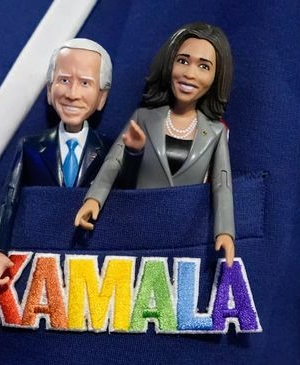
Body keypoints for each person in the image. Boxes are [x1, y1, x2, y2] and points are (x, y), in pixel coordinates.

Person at [74, 23, 235, 266]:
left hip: (183, 237)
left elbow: (222, 185)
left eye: (204, 66)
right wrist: (93, 199)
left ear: (216, 77)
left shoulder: (215, 132)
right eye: (183, 61)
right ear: (169, 63)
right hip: (135, 228)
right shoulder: (144, 117)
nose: (190, 73)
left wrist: (225, 232)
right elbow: (113, 162)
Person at [0, 38, 113, 290]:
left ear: (101, 97)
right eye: (64, 80)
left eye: (86, 83)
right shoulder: (30, 146)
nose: (72, 93)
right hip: (39, 259)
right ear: (49, 88)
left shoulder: (110, 150)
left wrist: (133, 153)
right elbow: (9, 198)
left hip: (91, 264)